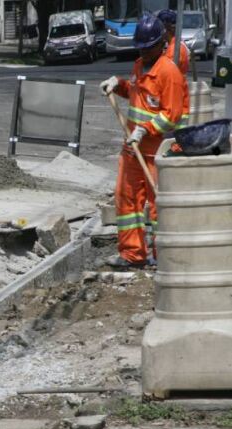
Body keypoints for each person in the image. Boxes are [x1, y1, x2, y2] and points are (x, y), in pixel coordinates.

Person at [100, 14, 187, 268]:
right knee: (127, 201)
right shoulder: (139, 66)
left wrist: (145, 130)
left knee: (159, 207)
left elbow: (171, 115)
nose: (145, 52)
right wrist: (118, 85)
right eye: (141, 47)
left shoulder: (169, 73)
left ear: (160, 44)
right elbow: (136, 95)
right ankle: (132, 254)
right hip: (133, 150)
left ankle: (164, 256)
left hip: (157, 152)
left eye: (149, 47)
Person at [157, 9, 190, 75]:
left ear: (165, 28)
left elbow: (165, 73)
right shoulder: (177, 44)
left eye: (158, 29)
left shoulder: (174, 50)